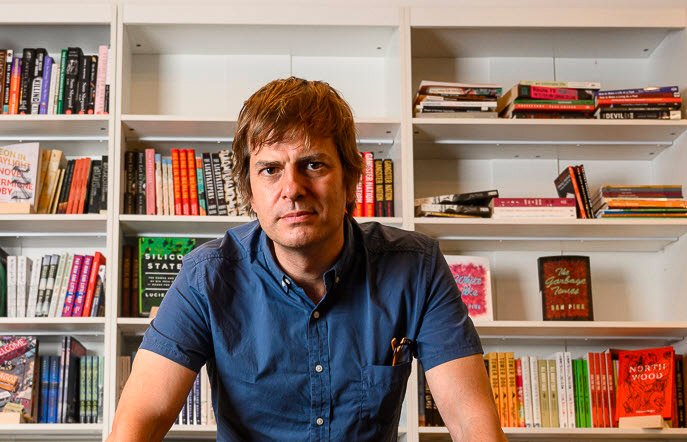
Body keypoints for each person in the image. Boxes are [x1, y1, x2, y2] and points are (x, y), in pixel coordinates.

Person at [108, 77, 505, 441]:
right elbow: (143, 416)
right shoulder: (206, 276)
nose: (292, 189)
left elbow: (471, 420)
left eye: (313, 164)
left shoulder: (416, 266)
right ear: (249, 191)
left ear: (351, 178)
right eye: (270, 169)